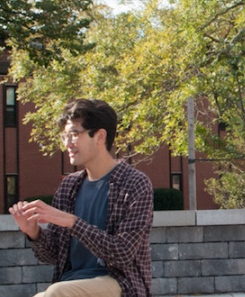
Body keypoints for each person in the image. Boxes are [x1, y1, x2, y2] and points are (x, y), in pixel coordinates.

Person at [9, 99, 153, 297]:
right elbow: (52, 255)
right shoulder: (69, 187)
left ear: (100, 136)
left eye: (74, 135)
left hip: (120, 283)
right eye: (65, 136)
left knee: (55, 293)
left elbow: (123, 253)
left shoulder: (134, 183)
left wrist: (71, 222)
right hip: (70, 281)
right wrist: (33, 232)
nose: (67, 143)